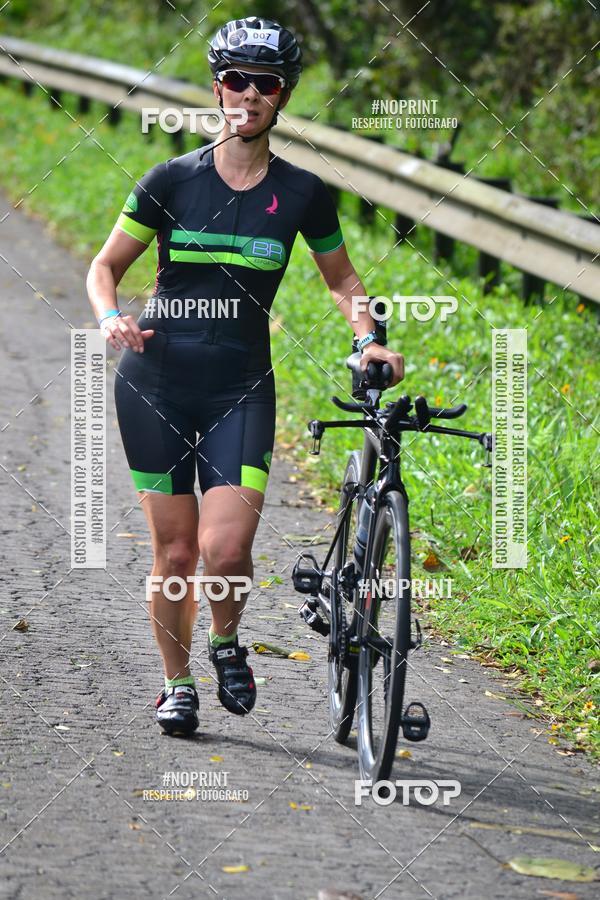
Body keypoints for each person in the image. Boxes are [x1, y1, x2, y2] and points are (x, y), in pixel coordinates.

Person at [86, 16, 404, 737]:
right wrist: (109, 318)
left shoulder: (301, 194)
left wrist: (369, 338)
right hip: (154, 382)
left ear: (282, 95)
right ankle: (176, 683)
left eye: (265, 83)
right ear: (217, 87)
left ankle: (226, 641)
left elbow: (343, 276)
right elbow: (105, 267)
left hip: (240, 388)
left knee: (224, 550)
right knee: (172, 553)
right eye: (236, 79)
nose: (249, 94)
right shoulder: (171, 179)